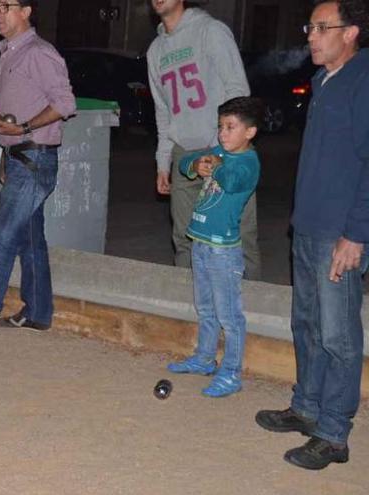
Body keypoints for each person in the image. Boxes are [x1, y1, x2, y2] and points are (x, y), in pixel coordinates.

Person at [256, 0, 369, 471]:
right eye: (310, 27)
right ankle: (306, 407)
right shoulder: (324, 80)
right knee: (307, 325)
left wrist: (357, 234)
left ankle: (333, 433)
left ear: (352, 33)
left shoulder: (364, 82)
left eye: (323, 28)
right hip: (308, 227)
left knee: (339, 334)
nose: (311, 36)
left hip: (340, 234)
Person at [0, 0, 75, 331]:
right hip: (20, 158)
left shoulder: (39, 52)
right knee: (29, 239)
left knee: (0, 234)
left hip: (36, 157)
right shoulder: (8, 54)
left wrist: (24, 129)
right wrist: (6, 154)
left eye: (7, 6)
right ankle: (38, 312)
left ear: (26, 11)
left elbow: (65, 103)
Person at [147, 0, 261, 280]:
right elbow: (163, 111)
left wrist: (221, 148)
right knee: (185, 237)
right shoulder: (155, 50)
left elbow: (238, 91)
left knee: (239, 236)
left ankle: (251, 312)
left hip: (224, 149)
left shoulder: (210, 31)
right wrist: (163, 162)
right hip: (183, 154)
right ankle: (190, 309)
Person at [165, 97, 263, 398]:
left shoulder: (248, 162)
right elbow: (184, 163)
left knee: (229, 316)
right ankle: (205, 359)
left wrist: (215, 165)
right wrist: (197, 163)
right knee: (205, 308)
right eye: (221, 127)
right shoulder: (219, 151)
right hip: (201, 243)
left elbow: (233, 182)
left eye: (231, 127)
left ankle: (231, 372)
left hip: (223, 250)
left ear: (250, 132)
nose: (222, 134)